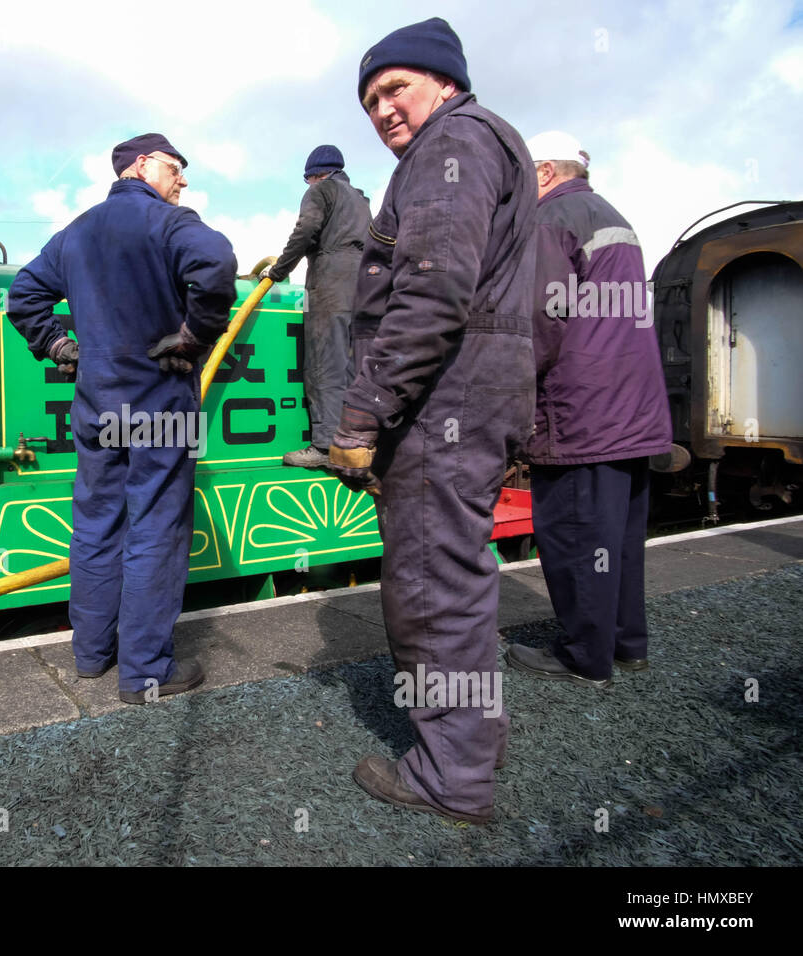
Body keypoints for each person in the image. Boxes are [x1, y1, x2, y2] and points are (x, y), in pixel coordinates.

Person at [328, 17, 537, 824]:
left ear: (445, 83)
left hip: (443, 398)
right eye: (370, 99)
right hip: (478, 387)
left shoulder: (450, 149)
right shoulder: (487, 144)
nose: (382, 109)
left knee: (431, 583)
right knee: (456, 571)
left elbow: (434, 289)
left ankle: (451, 775)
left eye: (396, 87)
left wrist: (363, 414)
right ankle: (471, 738)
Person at [7, 133, 237, 705]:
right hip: (160, 406)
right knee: (156, 528)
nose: (182, 179)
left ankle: (91, 655)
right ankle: (146, 672)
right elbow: (217, 264)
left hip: (96, 406)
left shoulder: (77, 231)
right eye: (175, 168)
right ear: (142, 165)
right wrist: (194, 334)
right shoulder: (166, 223)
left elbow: (23, 295)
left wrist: (61, 347)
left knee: (97, 522)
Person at [505, 131, 672, 689]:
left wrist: (507, 391)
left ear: (545, 172)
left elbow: (539, 319)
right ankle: (627, 647)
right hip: (632, 408)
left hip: (582, 412)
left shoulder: (552, 219)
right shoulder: (611, 215)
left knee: (575, 537)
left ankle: (584, 657)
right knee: (619, 541)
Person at [261, 146, 371, 468]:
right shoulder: (361, 200)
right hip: (363, 285)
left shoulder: (321, 191)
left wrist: (278, 270)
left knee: (324, 364)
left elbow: (305, 231)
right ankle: (354, 445)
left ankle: (324, 447)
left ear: (313, 174)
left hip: (330, 283)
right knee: (353, 366)